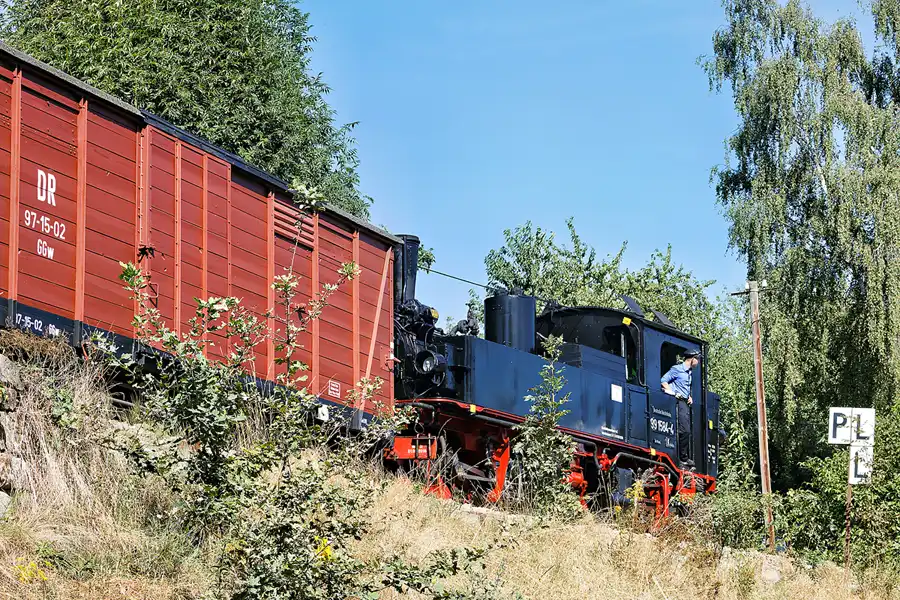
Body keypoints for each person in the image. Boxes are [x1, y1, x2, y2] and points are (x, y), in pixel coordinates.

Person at [661, 349, 701, 468]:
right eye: (697, 359)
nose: (698, 362)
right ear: (692, 359)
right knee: (685, 430)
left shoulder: (689, 372)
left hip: (685, 401)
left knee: (687, 430)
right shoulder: (677, 369)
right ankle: (682, 458)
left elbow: (683, 386)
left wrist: (689, 396)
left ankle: (683, 456)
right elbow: (663, 381)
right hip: (677, 401)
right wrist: (673, 393)